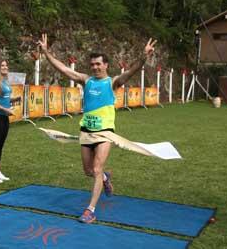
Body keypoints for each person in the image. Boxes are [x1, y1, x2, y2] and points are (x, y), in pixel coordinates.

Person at [37, 33, 156, 224]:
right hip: (86, 131)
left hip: (105, 133)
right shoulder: (86, 80)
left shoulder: (112, 82)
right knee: (88, 171)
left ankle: (90, 210)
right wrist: (46, 53)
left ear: (106, 65)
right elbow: (64, 69)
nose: (95, 67)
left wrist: (143, 56)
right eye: (92, 64)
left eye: (98, 64)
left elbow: (131, 72)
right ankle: (106, 177)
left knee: (97, 168)